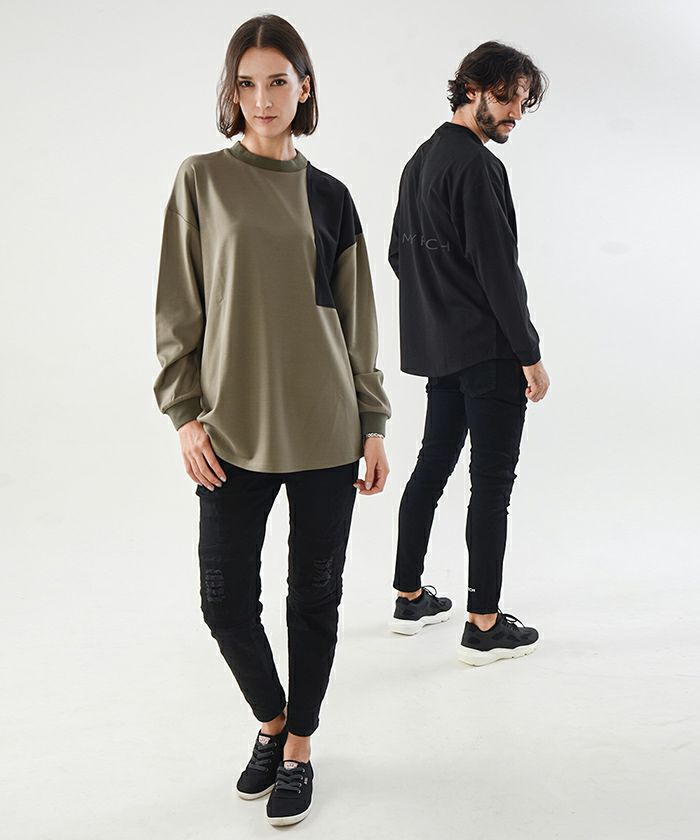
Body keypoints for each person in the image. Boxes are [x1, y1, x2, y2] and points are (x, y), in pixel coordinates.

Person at [152, 14, 391, 826]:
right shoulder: (201, 180)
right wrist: (185, 415)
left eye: (278, 81)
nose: (263, 98)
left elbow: (357, 321)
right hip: (229, 433)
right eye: (247, 83)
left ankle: (298, 750)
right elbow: (178, 309)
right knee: (224, 603)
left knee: (312, 602)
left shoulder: (331, 197)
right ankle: (273, 718)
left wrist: (373, 421)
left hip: (326, 429)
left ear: (304, 87)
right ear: (232, 91)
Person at [387, 41, 549, 666]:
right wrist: (528, 353)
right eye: (506, 98)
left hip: (443, 350)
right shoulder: (479, 167)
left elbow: (400, 255)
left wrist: (440, 308)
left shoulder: (419, 161)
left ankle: (409, 597)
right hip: (488, 350)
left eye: (522, 103)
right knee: (491, 484)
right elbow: (498, 271)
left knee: (432, 465)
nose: (514, 113)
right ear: (472, 89)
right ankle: (483, 625)